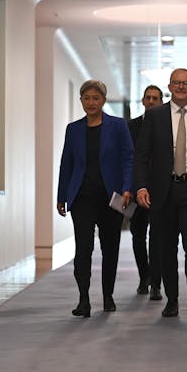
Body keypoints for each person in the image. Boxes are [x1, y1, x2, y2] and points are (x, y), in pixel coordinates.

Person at [134, 68, 187, 323]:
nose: (181, 87)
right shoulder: (155, 116)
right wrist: (141, 186)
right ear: (169, 87)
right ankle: (171, 299)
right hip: (163, 191)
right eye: (177, 83)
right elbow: (141, 154)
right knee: (166, 248)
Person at [57, 80, 134, 318]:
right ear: (81, 100)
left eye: (96, 98)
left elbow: (128, 158)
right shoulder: (73, 129)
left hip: (110, 197)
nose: (91, 102)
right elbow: (66, 164)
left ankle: (108, 296)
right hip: (82, 198)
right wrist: (61, 196)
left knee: (110, 248)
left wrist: (127, 188)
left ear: (103, 100)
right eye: (87, 98)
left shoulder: (118, 126)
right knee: (83, 249)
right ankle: (83, 299)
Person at [127, 84, 164, 299]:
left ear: (161, 101)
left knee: (157, 237)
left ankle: (156, 283)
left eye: (155, 98)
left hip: (160, 190)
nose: (151, 101)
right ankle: (144, 276)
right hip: (135, 190)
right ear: (142, 101)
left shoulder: (165, 125)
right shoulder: (130, 127)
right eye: (148, 98)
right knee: (138, 236)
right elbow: (127, 159)